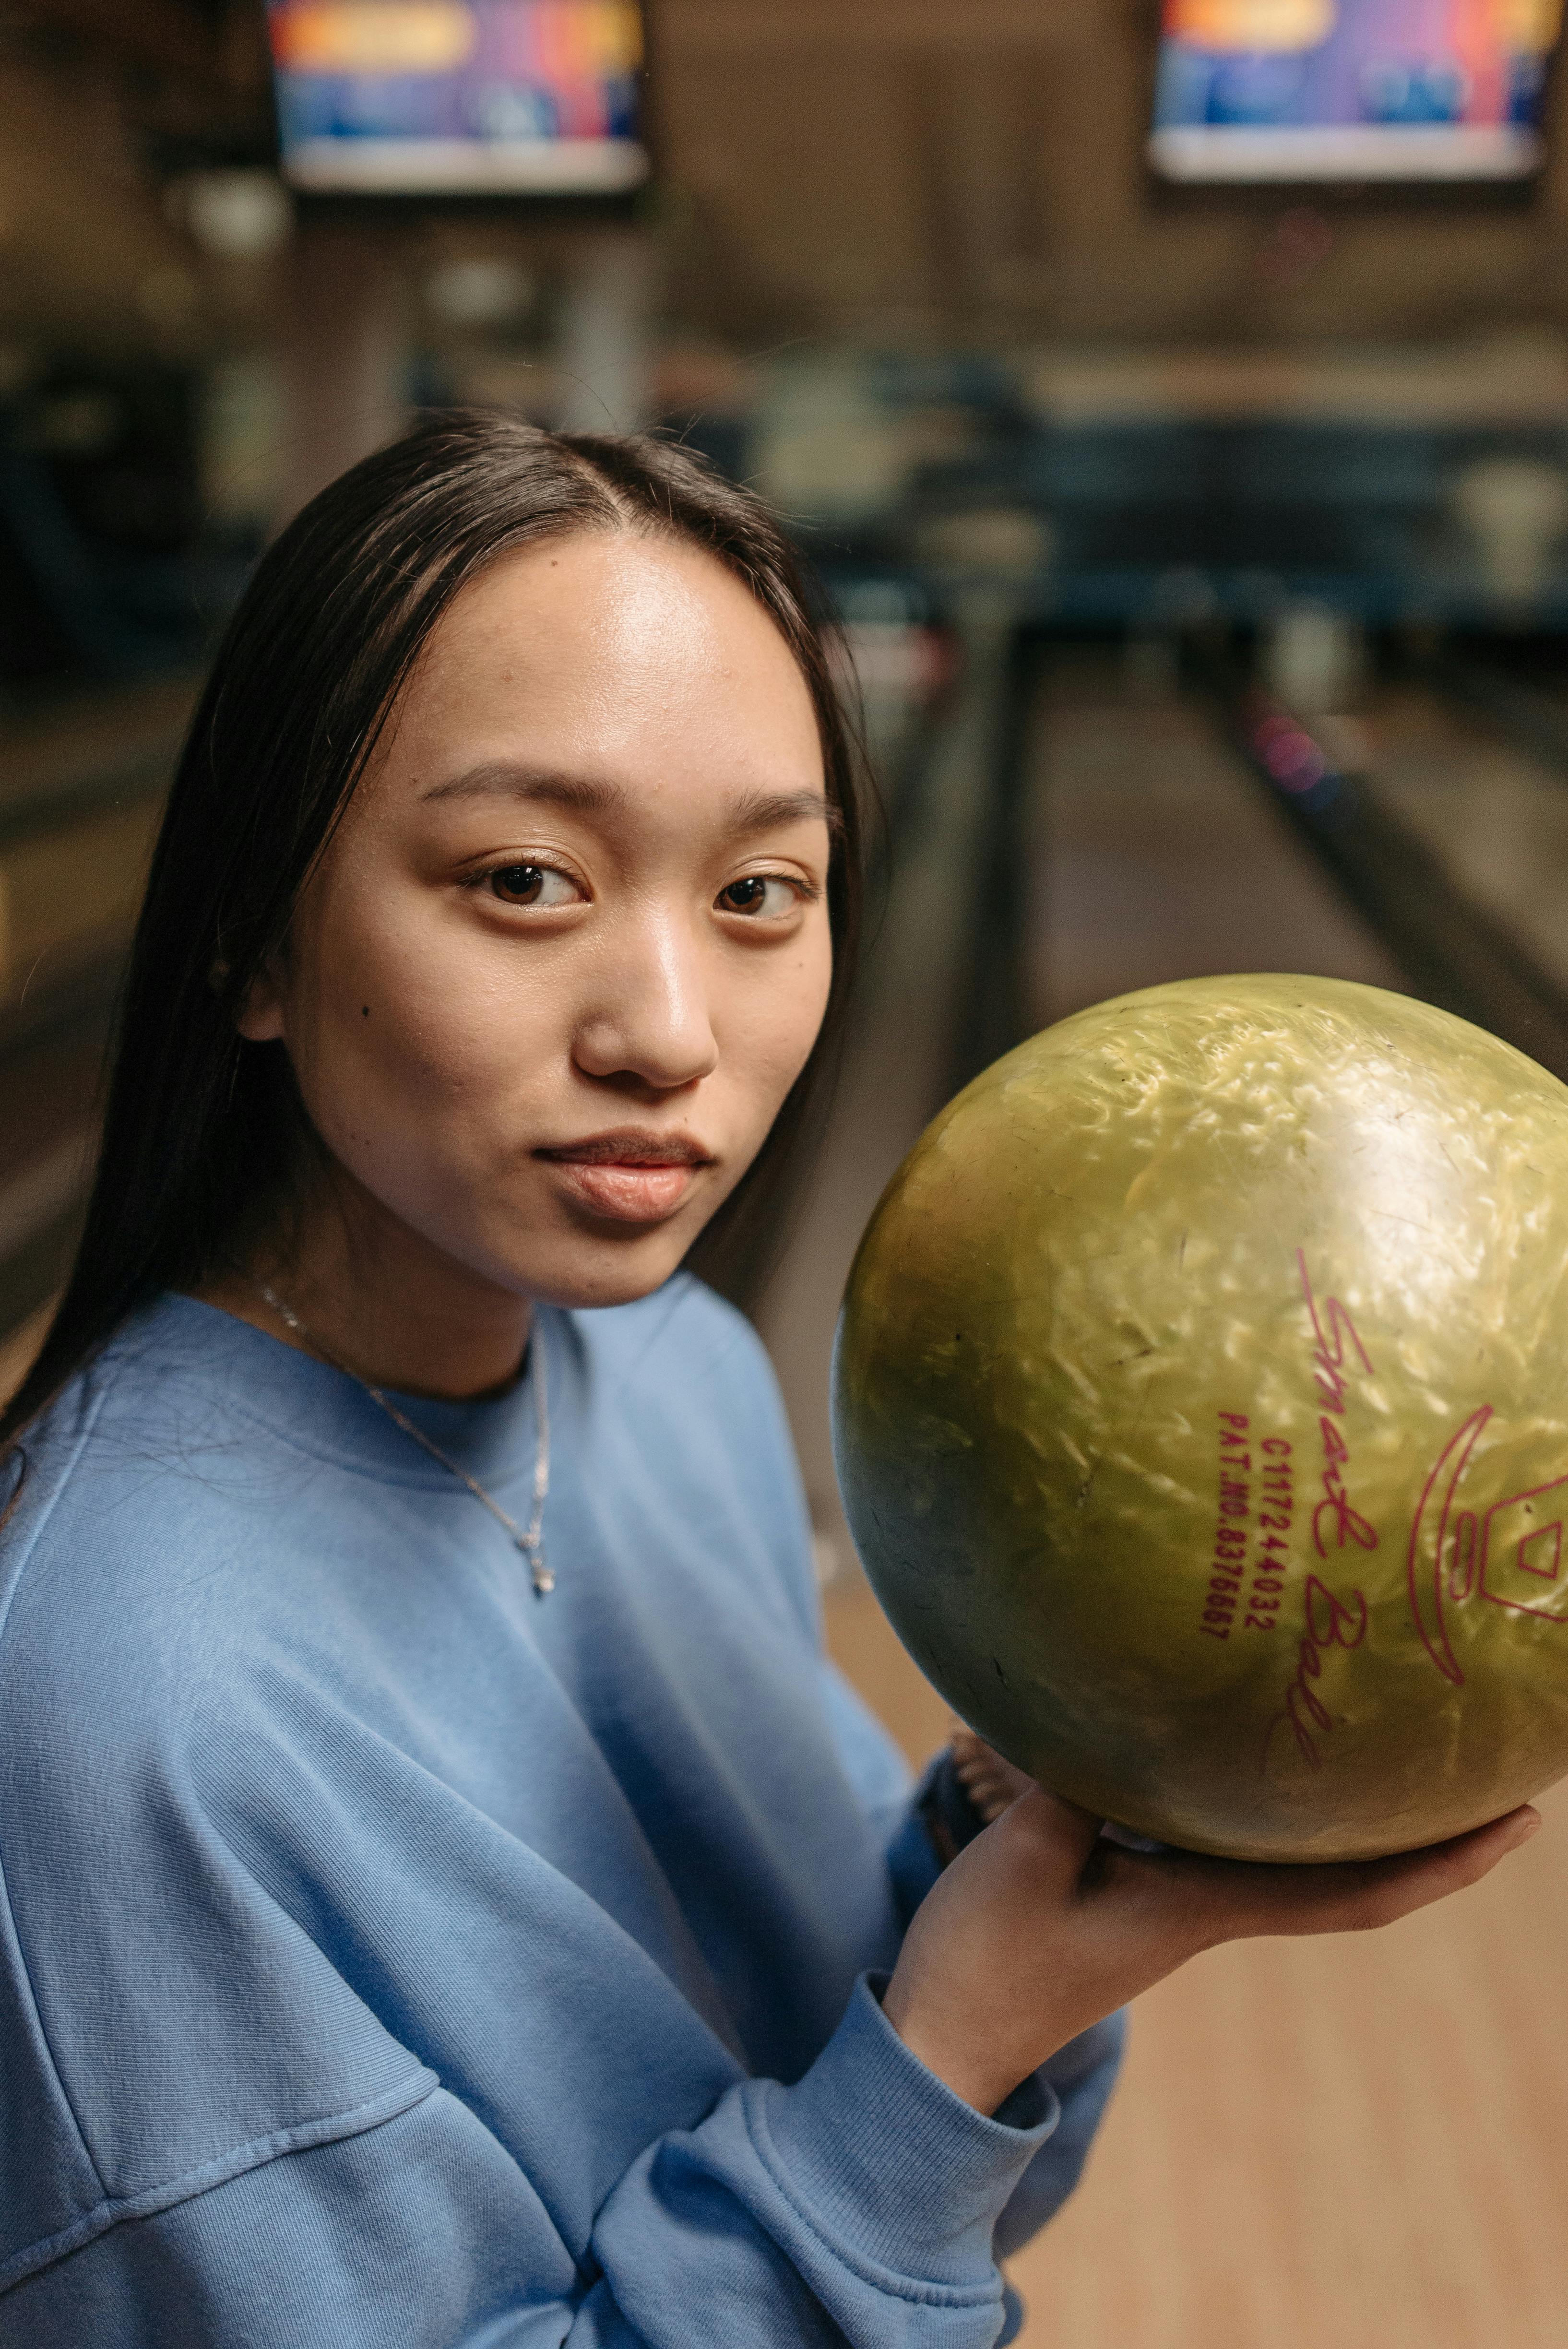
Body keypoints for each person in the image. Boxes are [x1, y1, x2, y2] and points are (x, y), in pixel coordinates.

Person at [0, 414, 1536, 2349]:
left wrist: (1022, 1831)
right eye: (527, 879)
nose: (668, 1034)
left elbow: (836, 2080)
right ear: (252, 942)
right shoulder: (105, 1711)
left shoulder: (675, 1376)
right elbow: (880, 2135)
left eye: (756, 895)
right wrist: (951, 2043)